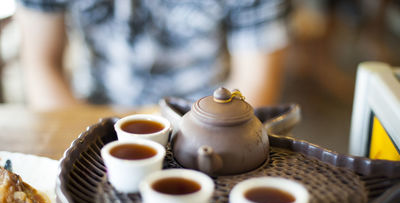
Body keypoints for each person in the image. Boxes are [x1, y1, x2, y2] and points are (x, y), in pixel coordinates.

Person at [16, 0, 290, 111]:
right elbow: (40, 66)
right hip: (89, 110)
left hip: (206, 116)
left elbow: (256, 82)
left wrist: (203, 133)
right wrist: (86, 140)